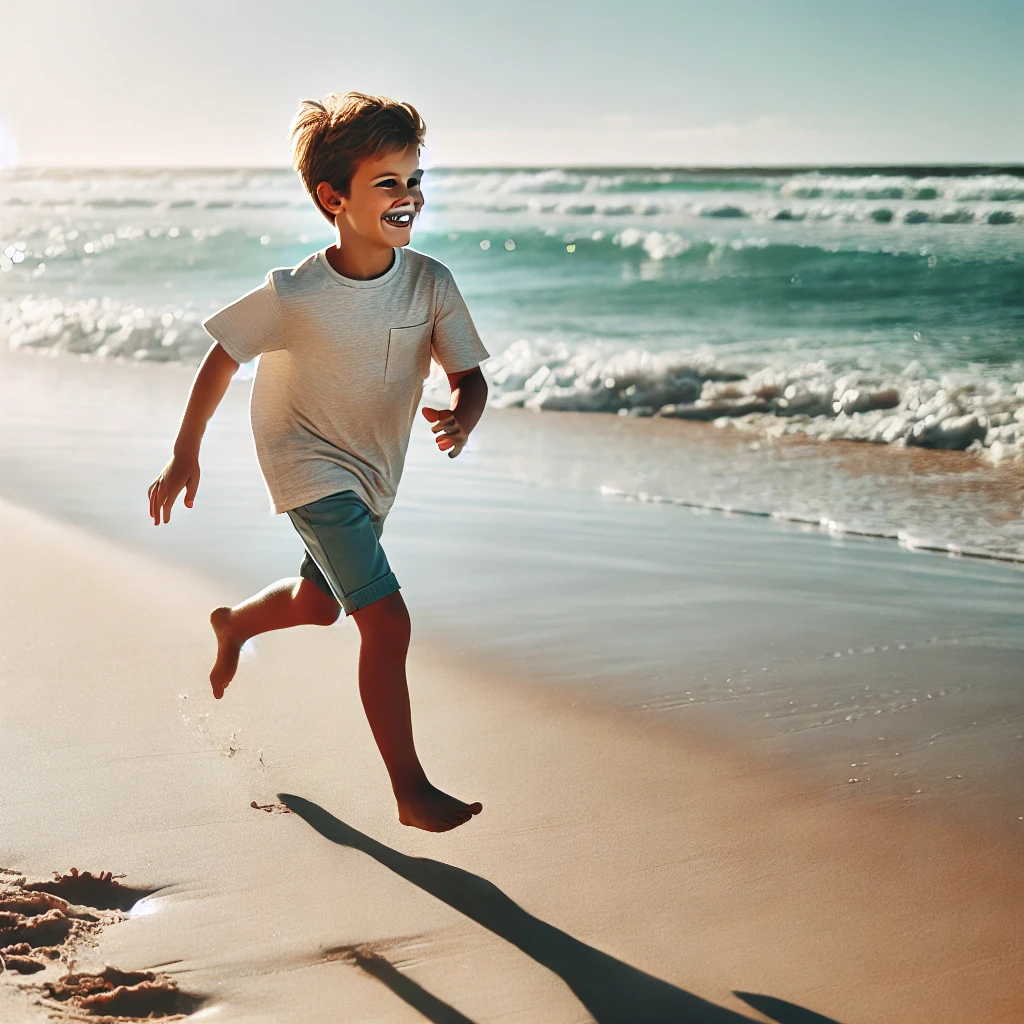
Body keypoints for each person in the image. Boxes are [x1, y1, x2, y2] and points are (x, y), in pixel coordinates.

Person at [147, 92, 488, 833]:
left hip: (374, 472)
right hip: (304, 459)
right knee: (386, 621)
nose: (409, 197)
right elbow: (223, 356)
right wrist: (184, 452)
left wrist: (463, 413)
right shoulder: (297, 293)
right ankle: (410, 790)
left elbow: (469, 374)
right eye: (388, 182)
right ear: (334, 197)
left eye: (414, 179)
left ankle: (234, 624)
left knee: (319, 605)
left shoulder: (430, 282)